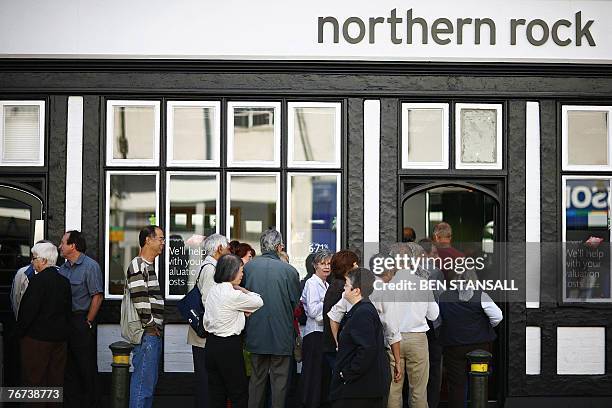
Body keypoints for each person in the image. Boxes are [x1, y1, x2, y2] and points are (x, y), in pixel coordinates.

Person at [244, 229, 301, 408]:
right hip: (282, 333)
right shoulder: (290, 271)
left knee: (256, 379)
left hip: (255, 330)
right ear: (278, 247)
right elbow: (295, 303)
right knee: (280, 382)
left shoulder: (248, 268)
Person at [203, 254, 263, 408]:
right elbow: (258, 301)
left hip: (211, 344)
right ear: (232, 271)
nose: (242, 274)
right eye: (241, 270)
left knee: (216, 393)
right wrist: (243, 290)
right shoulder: (233, 294)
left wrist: (240, 311)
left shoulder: (213, 290)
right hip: (229, 345)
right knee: (239, 393)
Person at [384, 243, 439, 408]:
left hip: (393, 339)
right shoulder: (423, 283)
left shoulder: (387, 284)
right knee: (419, 392)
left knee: (393, 390)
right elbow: (433, 315)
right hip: (417, 339)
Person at [439, 269, 503, 408]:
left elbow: (439, 319)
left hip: (454, 346)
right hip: (480, 346)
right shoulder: (481, 296)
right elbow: (498, 317)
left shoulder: (444, 296)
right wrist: (484, 327)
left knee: (457, 385)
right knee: (479, 381)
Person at [329, 268, 390, 408]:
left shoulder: (363, 312)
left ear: (356, 290)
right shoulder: (362, 310)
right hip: (361, 388)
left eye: (347, 285)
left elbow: (366, 349)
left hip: (360, 390)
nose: (344, 288)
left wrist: (347, 373)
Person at [16, 242, 71, 395]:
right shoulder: (65, 282)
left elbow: (27, 312)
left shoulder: (37, 282)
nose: (32, 262)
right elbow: (68, 311)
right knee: (55, 382)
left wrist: (19, 333)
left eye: (34, 258)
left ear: (44, 260)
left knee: (35, 383)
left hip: (37, 340)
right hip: (59, 341)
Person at [58, 230, 104, 408]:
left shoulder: (90, 266)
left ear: (73, 246)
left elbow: (97, 296)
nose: (60, 246)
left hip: (81, 321)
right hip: (65, 323)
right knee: (68, 368)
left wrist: (88, 322)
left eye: (63, 243)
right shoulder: (62, 268)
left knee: (86, 368)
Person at [187, 234, 230, 408]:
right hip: (204, 334)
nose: (228, 250)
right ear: (219, 248)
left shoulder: (207, 266)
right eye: (226, 247)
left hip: (202, 333)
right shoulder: (211, 269)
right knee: (206, 380)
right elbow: (208, 301)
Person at [127, 225, 166, 408]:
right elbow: (140, 299)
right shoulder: (138, 265)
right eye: (160, 238)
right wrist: (151, 327)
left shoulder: (147, 266)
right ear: (147, 240)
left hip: (151, 333)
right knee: (143, 384)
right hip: (147, 333)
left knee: (148, 384)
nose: (163, 243)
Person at [321, 250, 359, 407]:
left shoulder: (335, 285)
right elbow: (334, 317)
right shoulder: (342, 288)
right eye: (355, 264)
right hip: (338, 347)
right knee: (344, 388)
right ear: (347, 267)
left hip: (334, 345)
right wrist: (339, 343)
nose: (358, 266)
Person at [300, 249, 333, 408]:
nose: (326, 267)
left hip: (322, 334)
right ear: (315, 265)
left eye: (328, 263)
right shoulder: (312, 283)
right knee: (313, 377)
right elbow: (313, 311)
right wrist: (329, 301)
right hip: (314, 334)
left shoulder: (326, 284)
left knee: (322, 376)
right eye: (322, 263)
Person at [418, 238, 445, 408]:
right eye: (434, 253)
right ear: (424, 254)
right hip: (432, 324)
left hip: (413, 326)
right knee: (434, 368)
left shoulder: (403, 272)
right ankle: (432, 403)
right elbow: (440, 298)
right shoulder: (434, 272)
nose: (437, 257)